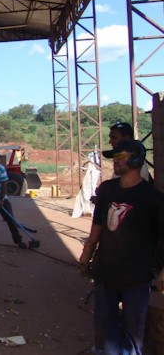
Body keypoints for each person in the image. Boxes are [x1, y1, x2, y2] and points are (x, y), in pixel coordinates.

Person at [78, 139, 164, 354]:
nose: (115, 161)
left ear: (136, 158)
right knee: (105, 331)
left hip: (137, 276)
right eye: (113, 157)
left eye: (120, 156)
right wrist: (86, 255)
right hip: (106, 272)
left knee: (133, 332)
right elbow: (97, 227)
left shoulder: (152, 197)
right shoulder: (107, 190)